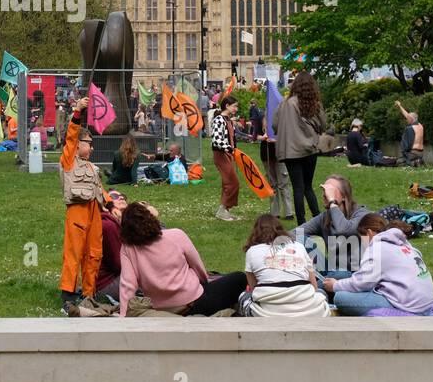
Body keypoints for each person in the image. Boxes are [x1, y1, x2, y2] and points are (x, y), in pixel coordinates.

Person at [118, 202, 247, 317]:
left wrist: (123, 317)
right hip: (195, 303)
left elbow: (127, 286)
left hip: (160, 308)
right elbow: (198, 267)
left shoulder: (128, 248)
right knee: (239, 277)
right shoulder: (176, 235)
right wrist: (204, 283)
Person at [324, 214, 433, 316]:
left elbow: (362, 283)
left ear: (368, 233)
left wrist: (335, 285)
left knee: (341, 297)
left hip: (409, 308)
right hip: (425, 305)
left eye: (361, 238)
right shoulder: (403, 243)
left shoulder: (377, 247)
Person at [58, 97, 105, 308]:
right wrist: (77, 112)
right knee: (74, 253)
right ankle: (68, 293)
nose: (92, 149)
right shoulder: (69, 159)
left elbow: (100, 190)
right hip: (77, 212)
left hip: (95, 212)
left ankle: (89, 292)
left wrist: (113, 206)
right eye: (89, 144)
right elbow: (71, 136)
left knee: (94, 253)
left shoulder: (92, 167)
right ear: (78, 145)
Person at [241, 215, 330, 318]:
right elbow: (314, 287)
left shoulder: (252, 252)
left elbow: (253, 289)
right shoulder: (299, 246)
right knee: (321, 292)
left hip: (269, 313)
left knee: (244, 296)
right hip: (307, 309)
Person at [273, 71, 327, 223]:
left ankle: (301, 223)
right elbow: (323, 124)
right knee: (308, 186)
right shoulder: (314, 104)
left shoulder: (285, 103)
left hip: (291, 151)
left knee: (298, 187)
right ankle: (317, 218)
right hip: (310, 149)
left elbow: (275, 124)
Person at [294, 175, 371, 274]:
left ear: (343, 196)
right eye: (324, 190)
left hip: (356, 275)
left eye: (330, 191)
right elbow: (294, 233)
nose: (325, 194)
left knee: (339, 274)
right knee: (300, 239)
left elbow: (343, 230)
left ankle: (319, 284)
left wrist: (332, 201)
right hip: (332, 271)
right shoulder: (325, 217)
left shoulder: (362, 215)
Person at [209, 91, 242, 221]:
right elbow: (216, 140)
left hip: (227, 154)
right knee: (232, 183)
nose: (236, 109)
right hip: (221, 154)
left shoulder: (227, 120)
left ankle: (225, 210)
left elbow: (231, 137)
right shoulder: (219, 120)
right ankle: (223, 210)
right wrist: (230, 149)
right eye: (234, 106)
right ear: (227, 106)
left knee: (228, 183)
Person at [96, 191, 127, 303]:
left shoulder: (121, 224)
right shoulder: (108, 226)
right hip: (106, 286)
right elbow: (118, 265)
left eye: (123, 196)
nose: (121, 197)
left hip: (112, 280)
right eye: (113, 196)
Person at [395, 99, 424, 167]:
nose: (406, 120)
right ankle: (418, 161)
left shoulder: (410, 128)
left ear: (411, 119)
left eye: (407, 119)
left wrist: (404, 152)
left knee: (398, 162)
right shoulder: (420, 126)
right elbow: (408, 115)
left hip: (412, 153)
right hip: (421, 153)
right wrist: (400, 106)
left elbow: (407, 145)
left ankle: (413, 163)